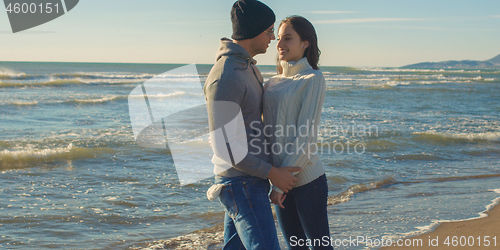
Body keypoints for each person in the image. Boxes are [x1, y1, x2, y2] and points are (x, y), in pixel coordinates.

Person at [203, 1, 301, 249]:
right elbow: (224, 146)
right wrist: (273, 173)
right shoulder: (226, 76)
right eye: (269, 31)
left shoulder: (248, 69)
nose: (272, 38)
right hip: (240, 183)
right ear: (254, 30)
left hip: (250, 179)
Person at [263, 16, 333, 250]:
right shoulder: (271, 83)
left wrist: (281, 185)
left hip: (307, 182)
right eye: (279, 38)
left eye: (288, 38)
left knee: (321, 247)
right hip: (280, 180)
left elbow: (305, 137)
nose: (280, 44)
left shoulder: (313, 79)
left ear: (305, 43)